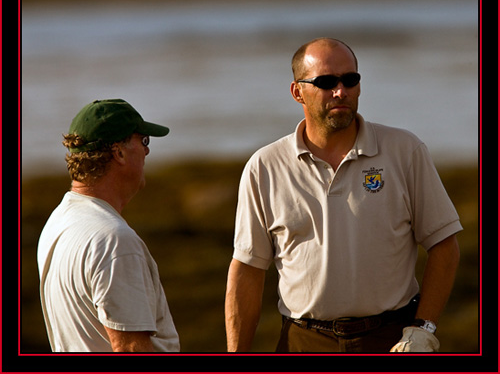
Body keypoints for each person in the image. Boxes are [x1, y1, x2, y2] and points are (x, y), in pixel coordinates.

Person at [225, 38, 462, 353]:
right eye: (326, 82)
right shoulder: (265, 166)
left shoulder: (405, 151)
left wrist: (423, 330)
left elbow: (444, 245)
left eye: (350, 80)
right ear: (297, 92)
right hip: (302, 342)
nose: (341, 91)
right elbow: (248, 270)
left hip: (390, 339)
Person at [37, 99, 180, 352]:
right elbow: (130, 349)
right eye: (144, 141)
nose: (147, 151)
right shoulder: (114, 241)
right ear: (119, 153)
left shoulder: (57, 223)